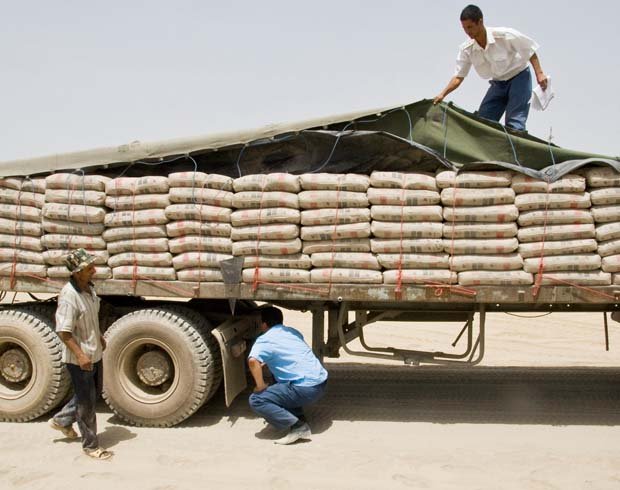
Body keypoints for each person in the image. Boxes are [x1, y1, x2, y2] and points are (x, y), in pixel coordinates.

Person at [433, 4, 548, 131]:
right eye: (464, 28)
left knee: (514, 124)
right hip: (498, 83)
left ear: (480, 22)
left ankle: (514, 149)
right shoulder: (467, 49)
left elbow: (529, 51)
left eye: (470, 27)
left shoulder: (505, 35)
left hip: (519, 78)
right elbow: (459, 76)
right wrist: (442, 94)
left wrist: (539, 74)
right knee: (483, 121)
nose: (468, 32)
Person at [49, 248, 112, 460]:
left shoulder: (89, 290)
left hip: (93, 353)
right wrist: (81, 356)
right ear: (77, 272)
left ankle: (62, 420)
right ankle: (91, 446)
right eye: (88, 268)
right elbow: (64, 332)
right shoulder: (69, 296)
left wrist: (100, 336)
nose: (93, 270)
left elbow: (90, 320)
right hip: (80, 359)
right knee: (87, 404)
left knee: (89, 394)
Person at [248, 306, 328, 445]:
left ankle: (298, 427)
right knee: (277, 378)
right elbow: (290, 352)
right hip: (320, 383)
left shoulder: (264, 339)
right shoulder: (292, 331)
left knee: (257, 400)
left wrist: (260, 386)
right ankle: (299, 417)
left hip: (305, 389)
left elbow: (253, 361)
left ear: (264, 324)